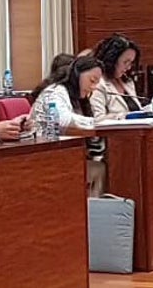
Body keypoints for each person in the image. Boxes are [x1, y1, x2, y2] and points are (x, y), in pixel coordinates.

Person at [30, 54, 107, 196]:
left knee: (103, 165)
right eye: (92, 80)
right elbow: (64, 120)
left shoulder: (76, 97)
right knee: (99, 169)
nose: (94, 87)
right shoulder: (55, 92)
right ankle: (90, 214)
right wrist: (100, 122)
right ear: (77, 75)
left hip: (63, 154)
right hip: (43, 157)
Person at [91, 33, 143, 119]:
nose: (129, 67)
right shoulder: (98, 85)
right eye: (125, 62)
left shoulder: (127, 81)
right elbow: (98, 119)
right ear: (112, 60)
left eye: (131, 63)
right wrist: (124, 117)